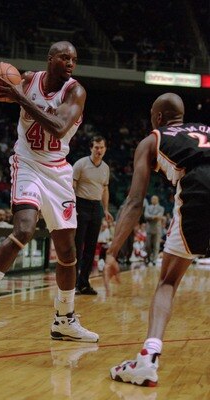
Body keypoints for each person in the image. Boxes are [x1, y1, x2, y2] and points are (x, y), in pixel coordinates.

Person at [0, 41, 98, 343]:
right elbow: (5, 89)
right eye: (64, 57)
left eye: (74, 58)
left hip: (58, 170)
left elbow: (59, 127)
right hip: (28, 163)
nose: (71, 62)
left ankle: (64, 319)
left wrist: (21, 99)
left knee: (68, 251)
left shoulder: (75, 92)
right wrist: (6, 90)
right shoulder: (28, 79)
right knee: (24, 229)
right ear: (50, 59)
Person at [104, 92, 210, 386]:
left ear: (159, 117)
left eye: (152, 113)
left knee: (167, 282)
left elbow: (134, 202)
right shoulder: (204, 129)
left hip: (199, 189)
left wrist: (112, 253)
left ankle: (147, 359)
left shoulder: (152, 139)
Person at [73, 136, 113, 295]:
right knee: (77, 247)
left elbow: (105, 189)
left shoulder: (106, 168)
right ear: (91, 148)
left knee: (91, 248)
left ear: (105, 149)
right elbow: (72, 185)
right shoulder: (81, 164)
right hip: (80, 204)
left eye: (101, 147)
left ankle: (84, 283)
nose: (99, 150)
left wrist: (106, 209)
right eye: (96, 147)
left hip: (96, 207)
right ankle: (73, 283)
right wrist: (71, 205)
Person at [144, 195, 165, 265]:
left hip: (157, 229)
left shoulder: (161, 208)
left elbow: (159, 216)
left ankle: (154, 259)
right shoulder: (148, 207)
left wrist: (151, 217)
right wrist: (154, 217)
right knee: (148, 245)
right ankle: (149, 257)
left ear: (158, 200)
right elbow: (146, 215)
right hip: (149, 229)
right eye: (153, 199)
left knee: (156, 245)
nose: (154, 200)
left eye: (155, 199)